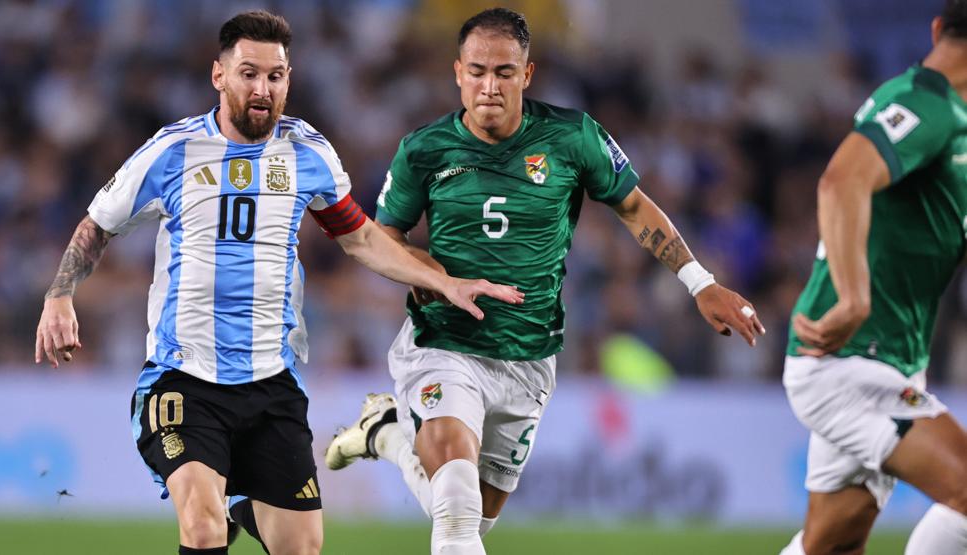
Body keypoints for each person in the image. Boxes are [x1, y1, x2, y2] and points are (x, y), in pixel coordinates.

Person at [33, 10, 523, 555]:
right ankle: (230, 501)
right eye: (249, 73)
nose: (263, 89)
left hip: (270, 387)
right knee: (202, 526)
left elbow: (360, 237)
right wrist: (60, 293)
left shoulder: (307, 153)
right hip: (184, 378)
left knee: (302, 547)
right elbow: (97, 225)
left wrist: (443, 280)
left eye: (275, 76)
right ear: (219, 76)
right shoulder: (173, 151)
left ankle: (242, 497)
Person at [324, 8, 764, 555]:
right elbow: (381, 238)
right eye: (477, 71)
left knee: (470, 520)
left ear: (526, 75)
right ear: (457, 72)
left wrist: (700, 283)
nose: (489, 86)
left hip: (529, 359)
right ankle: (395, 431)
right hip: (444, 345)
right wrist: (431, 273)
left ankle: (387, 435)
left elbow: (632, 205)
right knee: (457, 514)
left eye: (504, 72)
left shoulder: (572, 137)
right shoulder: (424, 150)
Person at [780, 2, 967, 554]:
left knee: (831, 545)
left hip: (889, 359)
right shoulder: (926, 103)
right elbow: (840, 182)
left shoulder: (953, 126)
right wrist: (854, 297)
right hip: (850, 358)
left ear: (937, 29)